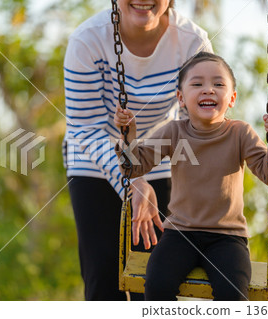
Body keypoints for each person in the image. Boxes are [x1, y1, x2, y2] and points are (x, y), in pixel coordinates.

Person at [63, 1, 213, 300]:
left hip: (158, 156)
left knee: (160, 276)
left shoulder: (192, 42)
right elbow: (85, 128)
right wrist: (131, 181)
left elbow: (196, 123)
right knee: (104, 278)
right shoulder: (87, 41)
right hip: (93, 160)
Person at [114, 52, 268, 301]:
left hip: (228, 238)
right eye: (197, 84)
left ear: (232, 98)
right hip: (180, 233)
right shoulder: (173, 131)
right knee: (157, 285)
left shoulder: (240, 133)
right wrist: (128, 136)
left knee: (232, 293)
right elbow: (134, 167)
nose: (208, 90)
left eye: (218, 84)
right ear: (181, 98)